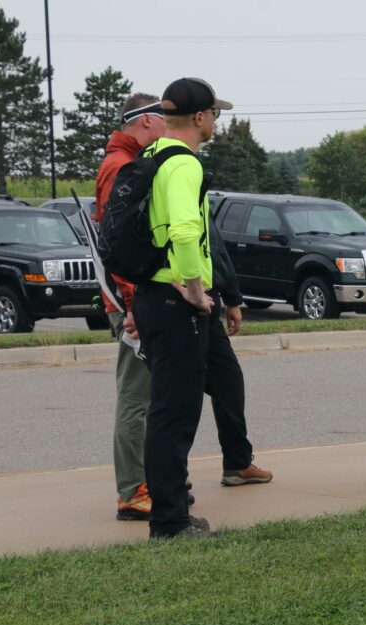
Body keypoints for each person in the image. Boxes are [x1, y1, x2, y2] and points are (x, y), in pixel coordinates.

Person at [132, 77, 271, 539]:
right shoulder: (183, 163)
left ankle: (172, 513)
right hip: (175, 301)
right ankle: (170, 522)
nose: (217, 122)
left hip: (153, 296)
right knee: (174, 414)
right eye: (215, 114)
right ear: (200, 117)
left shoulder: (150, 155)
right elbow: (187, 233)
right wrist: (194, 290)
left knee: (170, 409)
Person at [94, 93, 167, 520]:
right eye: (162, 118)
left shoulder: (120, 162)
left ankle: (150, 479)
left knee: (149, 393)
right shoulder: (121, 167)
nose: (167, 126)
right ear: (144, 122)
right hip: (129, 299)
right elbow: (117, 245)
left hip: (129, 296)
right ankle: (132, 491)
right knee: (136, 396)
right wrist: (132, 303)